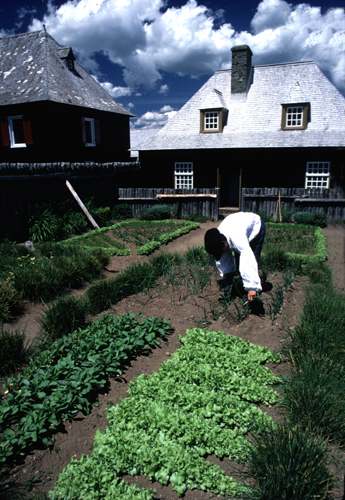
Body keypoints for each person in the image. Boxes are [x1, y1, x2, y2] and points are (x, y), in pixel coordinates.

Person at [204, 212, 265, 302]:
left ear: (224, 242)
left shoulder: (237, 238)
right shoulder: (218, 238)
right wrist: (227, 276)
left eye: (221, 251)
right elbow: (223, 258)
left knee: (250, 258)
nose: (221, 253)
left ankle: (251, 292)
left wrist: (251, 287)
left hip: (255, 226)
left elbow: (248, 258)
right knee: (238, 262)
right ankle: (238, 283)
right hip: (236, 225)